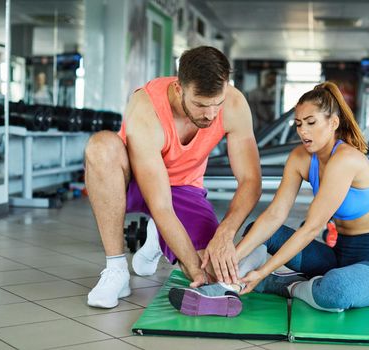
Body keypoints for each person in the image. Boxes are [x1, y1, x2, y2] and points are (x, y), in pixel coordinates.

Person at [170, 81, 369, 315]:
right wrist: (227, 261)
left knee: (335, 290)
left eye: (311, 123)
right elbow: (274, 215)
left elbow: (311, 228)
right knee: (259, 230)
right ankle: (224, 286)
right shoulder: (300, 157)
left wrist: (262, 273)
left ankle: (284, 285)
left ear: (333, 123)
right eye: (299, 124)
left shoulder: (346, 160)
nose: (303, 131)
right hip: (336, 256)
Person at [85, 46, 262, 309]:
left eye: (217, 104)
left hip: (182, 188)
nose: (211, 114)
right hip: (129, 181)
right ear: (179, 89)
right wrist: (192, 268)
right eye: (201, 105)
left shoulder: (234, 104)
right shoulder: (147, 108)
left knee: (215, 270)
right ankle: (116, 269)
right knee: (101, 146)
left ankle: (156, 238)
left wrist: (225, 234)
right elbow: (161, 206)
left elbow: (251, 180)